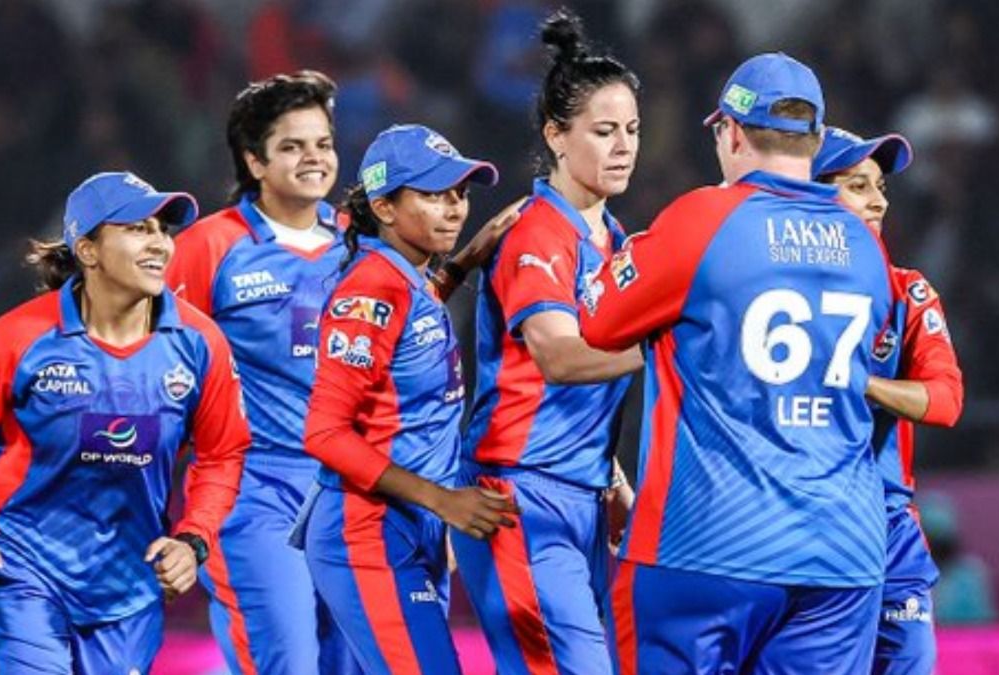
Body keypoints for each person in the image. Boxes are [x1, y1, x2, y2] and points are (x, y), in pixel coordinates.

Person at [165, 72, 516, 675]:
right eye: (292, 146)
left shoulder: (356, 239)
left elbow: (396, 327)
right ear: (254, 160)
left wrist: (460, 266)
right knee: (290, 659)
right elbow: (163, 363)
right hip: (258, 488)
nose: (314, 158)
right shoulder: (209, 247)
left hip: (357, 482)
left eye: (323, 144)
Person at [580, 53, 895, 673]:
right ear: (816, 141)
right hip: (842, 554)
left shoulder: (701, 219)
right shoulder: (865, 243)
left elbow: (599, 323)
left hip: (706, 544)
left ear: (729, 132)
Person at [0, 171, 248, 674]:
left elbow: (223, 453)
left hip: (129, 593)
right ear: (88, 251)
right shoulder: (19, 337)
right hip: (19, 575)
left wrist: (193, 539)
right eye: (137, 229)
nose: (159, 243)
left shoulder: (200, 343)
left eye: (163, 230)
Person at [452, 10, 643, 674]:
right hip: (518, 497)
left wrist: (612, 481)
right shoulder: (537, 233)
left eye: (632, 130)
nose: (623, 147)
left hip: (581, 497)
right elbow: (557, 359)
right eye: (604, 131)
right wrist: (665, 346)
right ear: (556, 135)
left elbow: (584, 401)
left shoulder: (615, 242)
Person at [300, 124, 519, 675]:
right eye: (433, 194)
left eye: (459, 193)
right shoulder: (372, 288)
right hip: (368, 530)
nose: (454, 208)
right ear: (384, 207)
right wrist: (442, 500)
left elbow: (406, 330)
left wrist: (465, 262)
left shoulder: (407, 279)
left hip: (408, 526)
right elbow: (324, 433)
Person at [813, 126, 965, 675]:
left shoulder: (908, 292)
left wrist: (862, 383)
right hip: (804, 519)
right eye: (857, 186)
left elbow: (946, 400)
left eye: (880, 187)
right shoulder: (771, 295)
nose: (878, 201)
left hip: (888, 525)